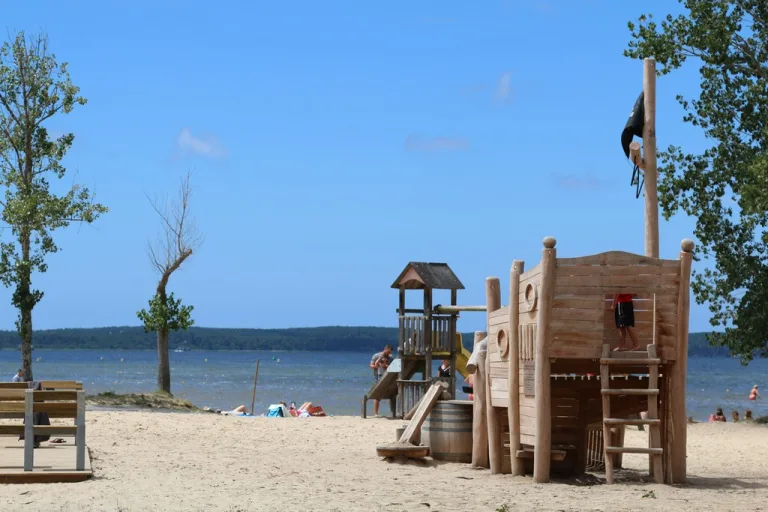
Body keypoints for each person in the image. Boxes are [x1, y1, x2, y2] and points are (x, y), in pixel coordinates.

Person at [369, 344, 394, 418]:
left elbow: (392, 367)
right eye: (388, 352)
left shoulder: (390, 357)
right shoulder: (377, 355)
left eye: (390, 353)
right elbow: (371, 365)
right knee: (377, 395)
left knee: (392, 394)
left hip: (387, 376)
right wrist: (377, 366)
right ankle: (376, 413)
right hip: (378, 376)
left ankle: (392, 412)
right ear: (385, 349)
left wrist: (386, 366)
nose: (389, 354)